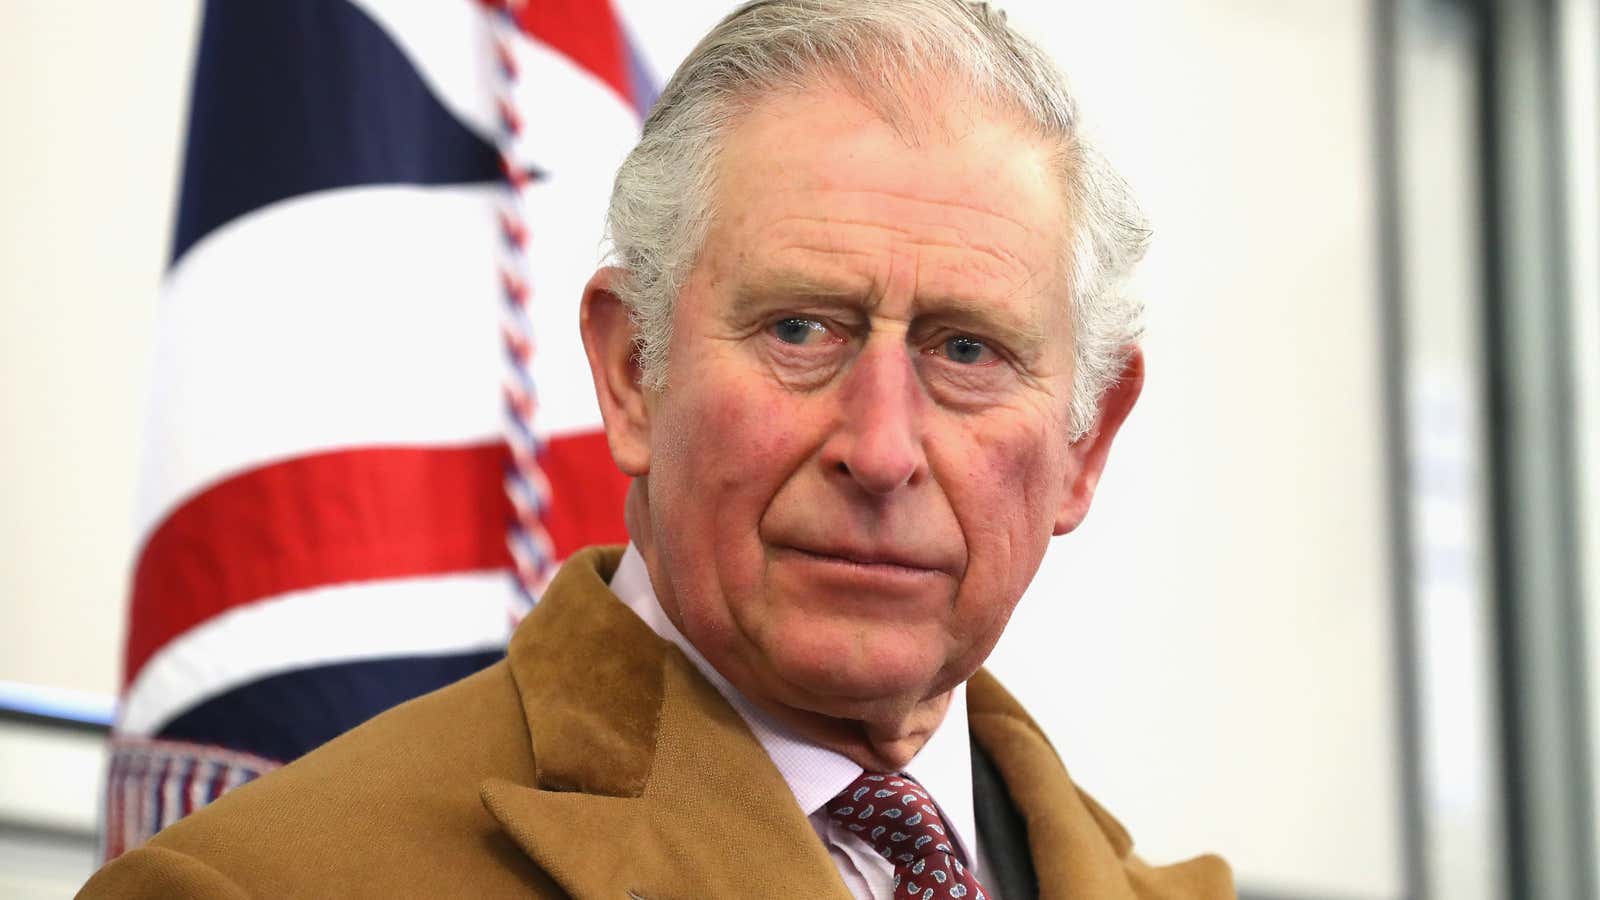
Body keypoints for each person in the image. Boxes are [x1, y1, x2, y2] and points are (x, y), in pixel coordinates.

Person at [79, 1, 1233, 897]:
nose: (882, 450)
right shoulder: (258, 890)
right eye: (801, 330)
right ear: (632, 371)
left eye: (967, 353)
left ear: (1085, 442)